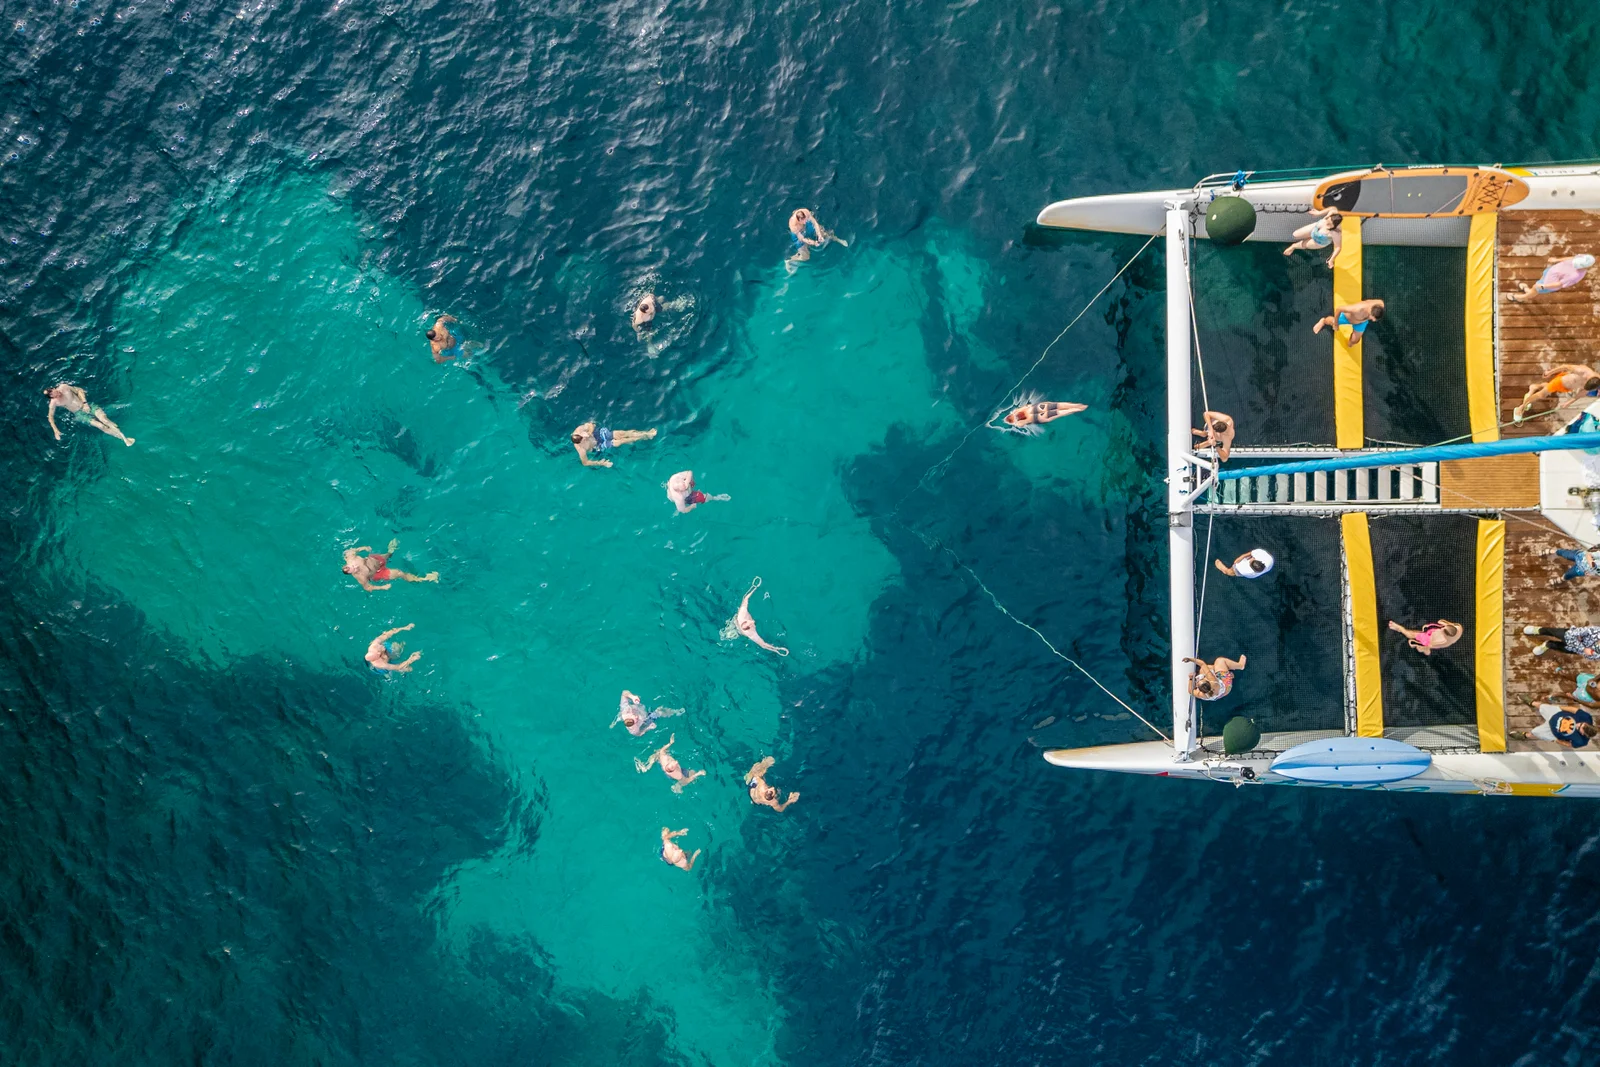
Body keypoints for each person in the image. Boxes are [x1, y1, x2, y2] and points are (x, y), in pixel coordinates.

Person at [45, 383, 133, 446]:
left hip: (86, 405)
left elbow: (79, 390)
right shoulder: (54, 403)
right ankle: (122, 439)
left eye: (56, 391)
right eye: (55, 395)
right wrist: (55, 430)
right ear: (52, 397)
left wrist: (85, 403)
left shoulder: (64, 387)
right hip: (79, 413)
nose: (58, 393)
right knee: (101, 426)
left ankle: (124, 437)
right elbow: (50, 417)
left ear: (54, 388)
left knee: (104, 419)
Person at [1512, 364, 1600, 424]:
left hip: (1566, 388)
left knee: (1548, 387)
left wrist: (1568, 403)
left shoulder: (1596, 383)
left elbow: (1582, 393)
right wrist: (1550, 372)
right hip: (1560, 381)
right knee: (1541, 395)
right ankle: (1520, 408)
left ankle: (1534, 387)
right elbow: (1565, 366)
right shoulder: (1583, 371)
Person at [342, 539, 439, 591]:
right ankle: (423, 579)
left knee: (388, 555)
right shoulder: (360, 577)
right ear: (352, 573)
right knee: (399, 573)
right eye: (355, 570)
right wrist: (382, 587)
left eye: (354, 566)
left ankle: (390, 550)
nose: (356, 567)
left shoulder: (350, 557)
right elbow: (367, 587)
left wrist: (364, 548)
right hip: (378, 573)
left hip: (375, 560)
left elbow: (352, 550)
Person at [734, 577, 789, 656]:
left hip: (737, 622)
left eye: (749, 621)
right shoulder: (751, 634)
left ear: (745, 620)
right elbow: (763, 644)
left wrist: (754, 588)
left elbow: (745, 598)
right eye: (751, 624)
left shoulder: (742, 614)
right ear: (750, 628)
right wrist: (777, 649)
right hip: (739, 631)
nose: (752, 621)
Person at [635, 734, 705, 793]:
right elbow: (686, 781)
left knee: (657, 753)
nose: (675, 762)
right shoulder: (677, 774)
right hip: (677, 776)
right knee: (692, 773)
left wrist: (670, 743)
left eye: (672, 762)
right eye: (674, 765)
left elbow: (662, 750)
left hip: (663, 763)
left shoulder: (665, 759)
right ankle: (677, 786)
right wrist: (699, 773)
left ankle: (647, 766)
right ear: (674, 769)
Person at [1511, 253, 1595, 302]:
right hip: (1551, 272)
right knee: (1535, 286)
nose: (1573, 263)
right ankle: (1528, 291)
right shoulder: (1582, 258)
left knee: (1535, 289)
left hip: (1550, 283)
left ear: (1584, 267)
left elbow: (1559, 284)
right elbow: (1571, 258)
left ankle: (1521, 298)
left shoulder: (1575, 276)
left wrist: (1544, 286)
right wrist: (1556, 260)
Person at [570, 421, 656, 468]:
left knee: (621, 433)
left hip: (597, 434)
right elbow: (585, 463)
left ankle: (647, 434)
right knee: (619, 442)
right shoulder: (581, 450)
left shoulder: (580, 429)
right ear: (580, 442)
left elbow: (591, 424)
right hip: (598, 445)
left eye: (583, 436)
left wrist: (589, 432)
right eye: (583, 439)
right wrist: (601, 463)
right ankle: (643, 437)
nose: (585, 438)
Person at [1523, 701, 1599, 748]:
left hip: (1551, 732)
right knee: (1542, 706)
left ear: (1583, 734)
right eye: (1581, 724)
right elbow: (1574, 709)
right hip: (1556, 713)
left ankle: (1525, 735)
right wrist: (1559, 708)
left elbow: (1569, 744)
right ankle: (1532, 702)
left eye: (1579, 728)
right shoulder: (1586, 717)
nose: (1577, 725)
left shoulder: (1581, 742)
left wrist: (1556, 740)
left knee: (1535, 732)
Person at [611, 690, 683, 737]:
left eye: (634, 716)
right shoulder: (633, 729)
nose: (636, 717)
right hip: (646, 718)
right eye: (636, 720)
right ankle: (676, 712)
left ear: (629, 714)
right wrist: (648, 728)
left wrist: (632, 697)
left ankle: (614, 722)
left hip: (640, 706)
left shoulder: (626, 709)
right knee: (659, 712)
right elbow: (638, 734)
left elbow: (624, 693)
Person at [1313, 298, 1385, 343]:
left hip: (1361, 322)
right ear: (1371, 313)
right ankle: (1323, 321)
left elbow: (1380, 303)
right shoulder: (1357, 309)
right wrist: (1336, 324)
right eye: (1373, 318)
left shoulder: (1380, 304)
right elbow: (1339, 309)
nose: (1374, 320)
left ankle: (1351, 342)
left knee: (1354, 341)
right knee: (1331, 321)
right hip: (1347, 318)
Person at [1388, 619, 1463, 656]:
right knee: (1426, 650)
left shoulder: (1443, 641)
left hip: (1430, 640)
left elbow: (1430, 644)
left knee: (1411, 634)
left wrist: (1423, 644)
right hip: (1434, 637)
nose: (1442, 628)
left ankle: (1399, 628)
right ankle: (1424, 650)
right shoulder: (1459, 627)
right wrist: (1445, 625)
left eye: (1443, 630)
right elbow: (1442, 622)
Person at [1526, 625, 1600, 660]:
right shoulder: (1597, 631)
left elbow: (1589, 656)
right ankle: (1539, 630)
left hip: (1574, 649)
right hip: (1568, 635)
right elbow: (1578, 632)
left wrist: (1584, 650)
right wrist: (1584, 648)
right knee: (1553, 632)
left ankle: (1548, 644)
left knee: (1559, 647)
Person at [1002, 401, 1088, 429]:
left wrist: (1014, 423)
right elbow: (1027, 405)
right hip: (1035, 408)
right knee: (1058, 405)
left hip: (1037, 417)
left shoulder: (1018, 423)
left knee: (1059, 413)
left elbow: (1022, 424)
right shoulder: (1016, 411)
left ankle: (1078, 409)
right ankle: (1078, 405)